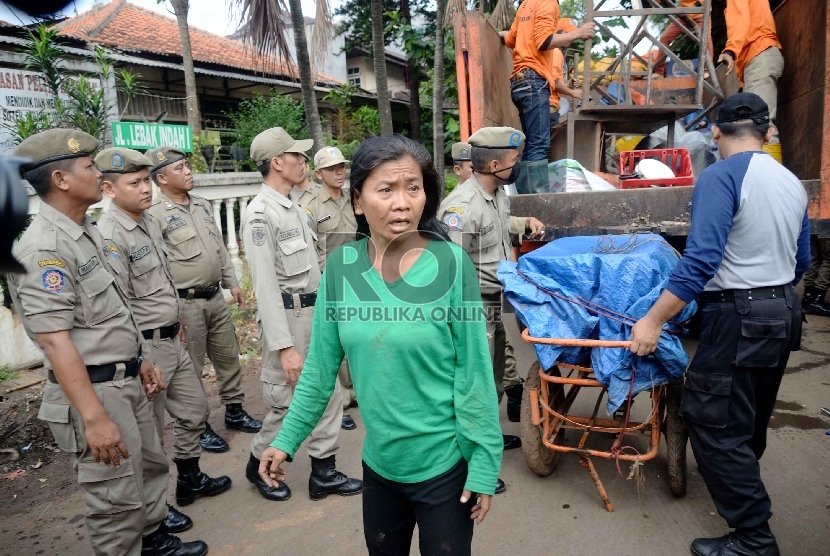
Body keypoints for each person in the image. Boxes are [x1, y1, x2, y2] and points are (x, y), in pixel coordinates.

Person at [258, 135, 503, 556]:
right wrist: (286, 439)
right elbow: (320, 367)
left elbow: (474, 372)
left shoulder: (451, 264)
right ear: (358, 201)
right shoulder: (341, 267)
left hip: (444, 467)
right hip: (381, 468)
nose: (402, 202)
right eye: (386, 190)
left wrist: (483, 463)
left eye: (414, 187)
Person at [7, 129, 207, 556]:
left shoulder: (85, 232)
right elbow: (56, 343)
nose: (100, 174)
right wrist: (95, 419)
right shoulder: (44, 249)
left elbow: (118, 307)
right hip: (95, 390)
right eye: (90, 166)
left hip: (127, 376)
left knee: (149, 467)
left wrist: (143, 358)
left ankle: (153, 540)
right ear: (60, 179)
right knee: (115, 497)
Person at [629, 93, 810, 556]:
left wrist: (651, 320)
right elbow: (802, 259)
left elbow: (701, 260)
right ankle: (744, 495)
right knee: (748, 416)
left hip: (741, 314)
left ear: (716, 132)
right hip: (782, 309)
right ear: (767, 133)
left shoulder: (721, 176)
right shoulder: (791, 183)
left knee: (711, 422)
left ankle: (753, 537)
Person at [97, 148, 232, 516]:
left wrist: (178, 318)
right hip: (147, 348)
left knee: (195, 409)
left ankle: (189, 478)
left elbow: (164, 278)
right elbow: (119, 304)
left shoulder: (148, 222)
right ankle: (155, 509)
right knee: (150, 433)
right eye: (135, 183)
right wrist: (139, 355)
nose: (145, 189)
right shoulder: (110, 234)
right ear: (109, 189)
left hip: (172, 336)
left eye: (145, 181)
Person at [239, 127, 362, 502]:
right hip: (289, 321)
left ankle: (323, 471)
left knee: (327, 392)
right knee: (287, 403)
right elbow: (265, 288)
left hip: (314, 315)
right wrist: (284, 347)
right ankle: (259, 461)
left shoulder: (294, 207)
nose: (303, 161)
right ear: (277, 162)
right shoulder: (261, 215)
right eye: (296, 155)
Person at [438, 126, 546, 494]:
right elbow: (448, 270)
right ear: (496, 164)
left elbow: (495, 230)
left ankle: (487, 438)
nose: (517, 167)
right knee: (473, 384)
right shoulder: (461, 208)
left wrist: (522, 224)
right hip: (473, 306)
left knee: (494, 376)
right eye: (514, 161)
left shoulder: (495, 195)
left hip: (492, 301)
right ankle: (466, 463)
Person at [146, 147, 262, 453]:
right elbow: (158, 267)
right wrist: (172, 310)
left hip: (214, 297)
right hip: (186, 304)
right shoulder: (155, 216)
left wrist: (232, 282)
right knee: (192, 367)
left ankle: (234, 412)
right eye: (181, 168)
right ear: (161, 178)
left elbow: (219, 248)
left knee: (227, 357)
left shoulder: (201, 205)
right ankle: (200, 427)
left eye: (187, 166)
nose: (188, 172)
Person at [499, 1, 594, 193]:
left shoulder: (526, 4)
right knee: (539, 145)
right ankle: (537, 202)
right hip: (534, 81)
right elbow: (543, 41)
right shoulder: (547, 2)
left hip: (520, 82)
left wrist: (502, 34)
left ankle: (527, 199)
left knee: (533, 146)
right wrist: (579, 33)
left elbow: (511, 40)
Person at [308, 146, 359, 431]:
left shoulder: (355, 199)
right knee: (334, 338)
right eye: (331, 168)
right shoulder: (311, 205)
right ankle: (341, 398)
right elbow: (310, 248)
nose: (339, 172)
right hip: (330, 279)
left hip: (359, 278)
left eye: (341, 167)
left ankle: (360, 388)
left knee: (358, 333)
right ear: (318, 174)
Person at [719, 0, 784, 143]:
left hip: (759, 55)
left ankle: (768, 166)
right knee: (757, 127)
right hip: (761, 57)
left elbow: (741, 21)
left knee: (761, 127)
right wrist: (742, 85)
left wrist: (730, 50)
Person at [800, 237, 830, 316]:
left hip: (813, 227)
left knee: (814, 257)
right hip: (826, 227)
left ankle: (808, 297)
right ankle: (817, 299)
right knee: (828, 259)